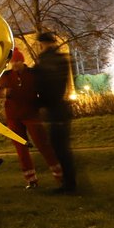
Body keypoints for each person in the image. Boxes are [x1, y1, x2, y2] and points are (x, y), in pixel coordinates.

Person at [0, 48, 64, 189]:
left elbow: (42, 91)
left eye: (17, 61)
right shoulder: (6, 76)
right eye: (12, 62)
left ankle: (60, 175)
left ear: (22, 61)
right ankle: (31, 180)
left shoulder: (33, 75)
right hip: (13, 117)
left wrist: (43, 103)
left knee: (43, 144)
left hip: (31, 114)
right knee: (21, 148)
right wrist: (4, 92)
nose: (14, 65)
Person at [32, 32, 78, 194]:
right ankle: (69, 182)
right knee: (62, 147)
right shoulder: (63, 59)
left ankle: (69, 184)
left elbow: (41, 84)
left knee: (59, 148)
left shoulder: (44, 61)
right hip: (62, 108)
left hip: (54, 109)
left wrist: (38, 102)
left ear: (43, 43)